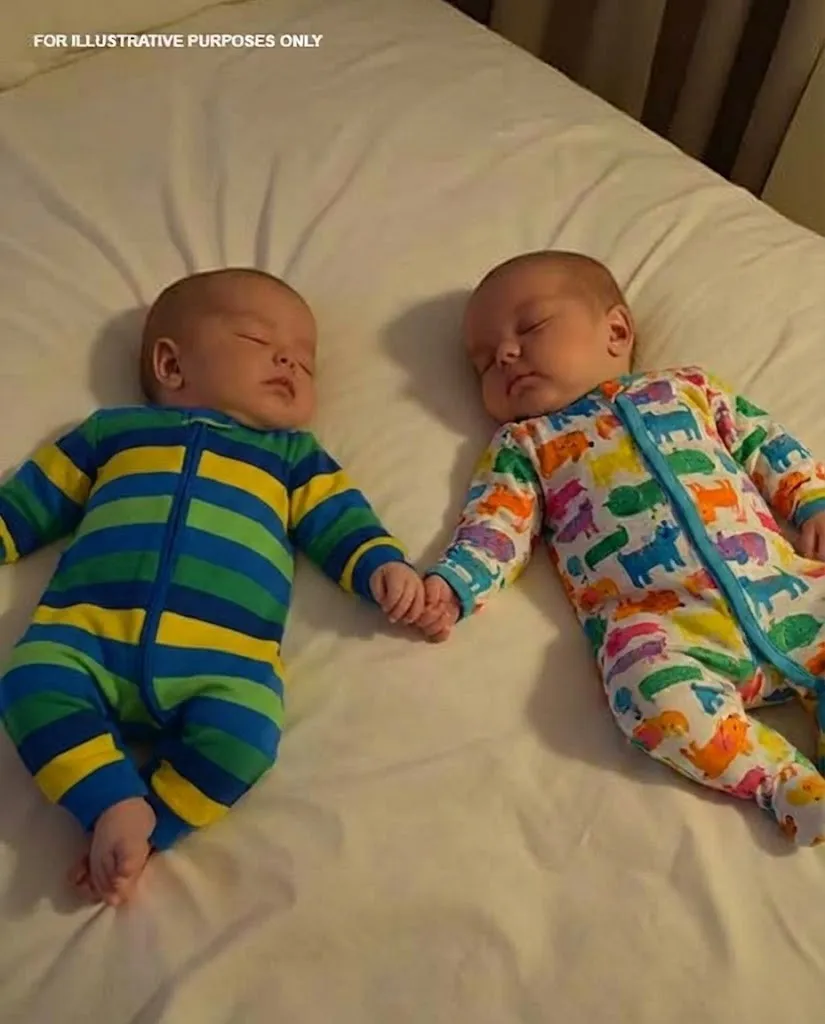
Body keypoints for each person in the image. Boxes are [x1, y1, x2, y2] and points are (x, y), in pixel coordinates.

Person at [0, 267, 424, 906]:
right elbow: (32, 501)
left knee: (247, 737)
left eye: (305, 360)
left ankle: (151, 821)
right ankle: (109, 798)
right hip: (84, 637)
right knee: (29, 684)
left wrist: (380, 566)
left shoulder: (292, 458)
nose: (289, 361)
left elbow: (341, 519)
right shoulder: (111, 434)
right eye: (259, 341)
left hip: (225, 664)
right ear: (171, 366)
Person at [417, 249, 825, 845]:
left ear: (615, 331)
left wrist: (811, 500)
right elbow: (496, 523)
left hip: (786, 587)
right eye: (482, 363)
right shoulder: (526, 445)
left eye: (531, 327)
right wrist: (456, 583)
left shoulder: (686, 388)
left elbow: (765, 441)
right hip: (666, 630)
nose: (504, 354)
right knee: (642, 690)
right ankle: (781, 782)